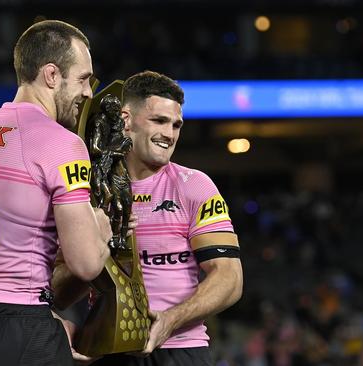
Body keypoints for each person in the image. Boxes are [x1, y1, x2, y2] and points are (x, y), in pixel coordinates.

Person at [0, 20, 112, 366]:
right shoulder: (60, 142)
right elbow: (85, 263)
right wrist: (102, 232)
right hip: (19, 325)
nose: (88, 93)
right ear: (51, 75)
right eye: (83, 79)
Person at [54, 71, 243, 366]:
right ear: (126, 119)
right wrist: (96, 249)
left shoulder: (194, 185)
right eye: (159, 121)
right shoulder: (85, 193)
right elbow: (57, 294)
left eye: (176, 124)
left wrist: (171, 319)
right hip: (108, 351)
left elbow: (230, 277)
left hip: (180, 351)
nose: (170, 134)